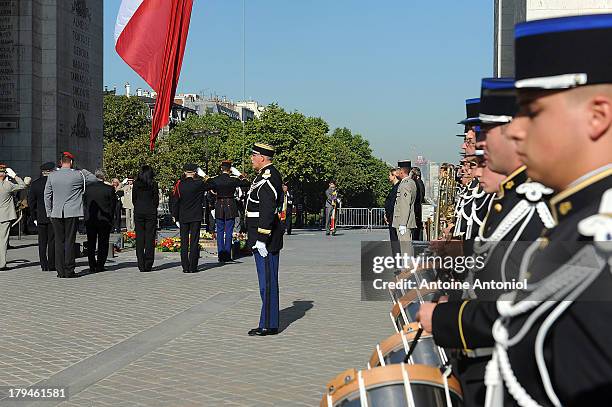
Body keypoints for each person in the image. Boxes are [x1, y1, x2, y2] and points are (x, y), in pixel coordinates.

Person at [246, 142, 284, 336]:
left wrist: (261, 238)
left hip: (265, 239)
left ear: (262, 157)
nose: (251, 158)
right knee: (265, 281)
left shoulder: (268, 177)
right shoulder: (262, 176)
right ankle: (267, 320)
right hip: (260, 237)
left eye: (253, 155)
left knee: (267, 282)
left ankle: (268, 324)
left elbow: (267, 210)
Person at [44, 152, 98, 278]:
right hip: (72, 212)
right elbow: (94, 179)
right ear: (72, 162)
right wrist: (81, 170)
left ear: (60, 162)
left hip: (56, 212)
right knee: (69, 241)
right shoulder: (78, 175)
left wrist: (49, 212)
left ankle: (60, 271)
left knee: (58, 241)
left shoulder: (52, 176)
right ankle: (69, 270)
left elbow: (47, 195)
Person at [203, 160, 250, 262]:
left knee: (219, 231)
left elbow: (206, 186)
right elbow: (247, 183)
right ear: (230, 170)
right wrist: (240, 175)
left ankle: (221, 255)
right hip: (230, 205)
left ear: (221, 168)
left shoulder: (216, 179)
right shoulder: (233, 179)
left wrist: (207, 178)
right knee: (229, 231)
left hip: (219, 205)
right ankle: (227, 255)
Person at [171, 163, 207, 273]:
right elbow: (212, 183)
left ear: (184, 172)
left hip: (183, 215)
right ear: (195, 172)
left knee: (184, 241)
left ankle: (185, 266)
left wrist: (175, 215)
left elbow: (175, 201)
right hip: (195, 215)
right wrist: (204, 175)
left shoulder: (179, 184)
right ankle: (193, 266)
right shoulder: (199, 183)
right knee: (194, 241)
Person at [83, 169, 116, 273]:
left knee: (91, 243)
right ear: (104, 177)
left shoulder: (88, 188)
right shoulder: (109, 189)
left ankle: (92, 265)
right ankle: (100, 265)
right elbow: (113, 205)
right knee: (103, 243)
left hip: (91, 219)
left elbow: (85, 203)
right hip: (104, 220)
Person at [28, 162, 56, 271]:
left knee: (42, 242)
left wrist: (34, 216)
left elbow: (31, 202)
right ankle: (52, 264)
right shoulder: (54, 182)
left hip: (40, 216)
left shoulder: (35, 184)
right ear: (51, 171)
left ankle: (43, 264)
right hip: (53, 215)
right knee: (52, 241)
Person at [133, 165, 159, 272]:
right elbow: (156, 199)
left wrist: (138, 206)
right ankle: (148, 263)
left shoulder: (136, 184)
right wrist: (152, 207)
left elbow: (134, 198)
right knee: (150, 237)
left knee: (140, 237)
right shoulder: (153, 184)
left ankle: (140, 263)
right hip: (150, 212)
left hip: (139, 211)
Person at [0, 164, 26, 271]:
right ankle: (1, 264)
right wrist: (14, 175)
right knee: (3, 241)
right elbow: (23, 185)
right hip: (4, 216)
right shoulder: (8, 185)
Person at [392, 160, 417, 245]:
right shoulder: (410, 182)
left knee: (405, 248)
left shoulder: (405, 185)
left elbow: (405, 205)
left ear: (402, 171)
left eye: (398, 170)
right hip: (405, 221)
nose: (397, 172)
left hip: (403, 222)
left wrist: (403, 224)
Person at [384, 168, 400, 254]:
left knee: (395, 239)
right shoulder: (395, 187)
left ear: (394, 176)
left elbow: (393, 203)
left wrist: (388, 214)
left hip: (394, 217)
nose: (388, 177)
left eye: (390, 175)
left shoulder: (398, 187)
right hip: (391, 216)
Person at [410, 167, 426, 240]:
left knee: (416, 232)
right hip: (418, 210)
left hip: (417, 210)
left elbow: (419, 197)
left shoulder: (418, 183)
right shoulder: (420, 182)